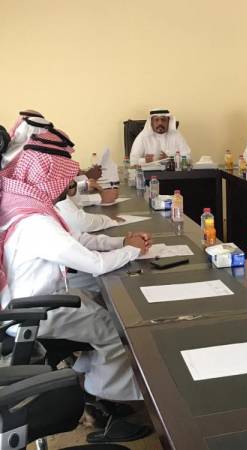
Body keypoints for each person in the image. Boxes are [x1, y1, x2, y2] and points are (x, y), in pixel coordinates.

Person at [0, 130, 151, 403]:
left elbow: (76, 239)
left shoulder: (28, 206)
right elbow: (94, 264)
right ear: (48, 179)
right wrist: (132, 250)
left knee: (102, 302)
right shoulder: (35, 222)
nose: (69, 183)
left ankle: (86, 371)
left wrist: (121, 243)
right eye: (63, 177)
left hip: (36, 300)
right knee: (117, 326)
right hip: (35, 310)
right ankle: (108, 392)